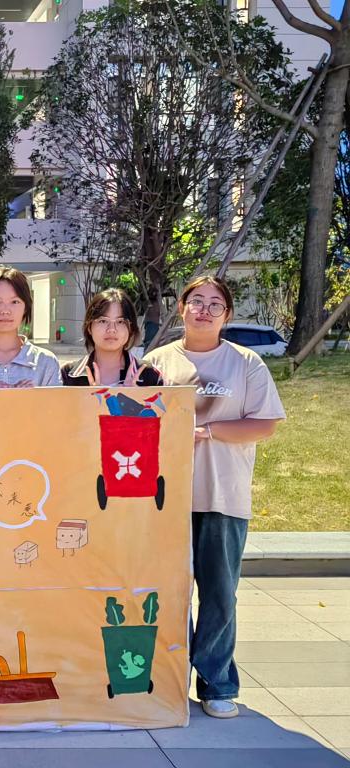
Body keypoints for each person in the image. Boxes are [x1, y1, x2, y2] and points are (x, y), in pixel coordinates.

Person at [144, 275, 285, 720]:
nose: (204, 310)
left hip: (223, 495)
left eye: (215, 304)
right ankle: (169, 680)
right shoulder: (157, 362)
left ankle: (217, 683)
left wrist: (206, 431)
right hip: (166, 499)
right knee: (170, 595)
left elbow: (264, 424)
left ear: (227, 315)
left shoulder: (246, 363)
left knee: (220, 596)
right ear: (181, 307)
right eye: (197, 301)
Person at [61, 288, 164, 387]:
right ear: (89, 327)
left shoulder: (150, 376)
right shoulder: (68, 375)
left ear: (131, 329)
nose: (111, 329)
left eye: (120, 322)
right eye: (103, 321)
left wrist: (134, 396)